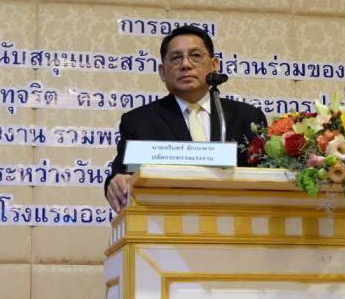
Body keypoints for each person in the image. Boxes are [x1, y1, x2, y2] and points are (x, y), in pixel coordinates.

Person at [104, 25, 267, 212]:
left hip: (239, 220)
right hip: (166, 220)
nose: (186, 65)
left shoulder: (247, 117)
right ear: (162, 72)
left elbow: (268, 177)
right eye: (176, 58)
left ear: (214, 65)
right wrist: (116, 182)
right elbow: (121, 175)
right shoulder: (139, 121)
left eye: (195, 55)